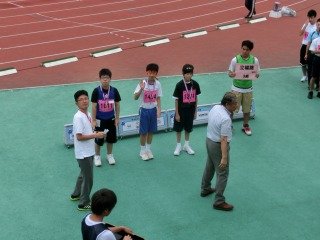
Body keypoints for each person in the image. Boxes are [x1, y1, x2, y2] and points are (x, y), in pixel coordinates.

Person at [200, 92, 238, 211]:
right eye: (234, 103)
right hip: (217, 145)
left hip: (209, 140)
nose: (236, 105)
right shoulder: (226, 119)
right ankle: (219, 201)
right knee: (222, 173)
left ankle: (205, 188)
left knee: (210, 165)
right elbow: (223, 140)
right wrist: (224, 157)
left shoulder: (216, 107)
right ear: (227, 104)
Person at [70, 90, 105, 211]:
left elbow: (88, 131)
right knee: (88, 178)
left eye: (86, 98)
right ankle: (84, 202)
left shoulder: (88, 114)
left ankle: (75, 194)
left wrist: (96, 133)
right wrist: (96, 136)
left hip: (88, 151)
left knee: (83, 174)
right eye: (81, 99)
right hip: (83, 153)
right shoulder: (78, 117)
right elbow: (79, 137)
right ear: (76, 103)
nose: (84, 101)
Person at [228, 40, 260, 136]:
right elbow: (229, 73)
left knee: (247, 110)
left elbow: (258, 73)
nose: (244, 51)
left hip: (248, 89)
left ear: (250, 50)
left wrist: (256, 74)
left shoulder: (255, 60)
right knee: (232, 109)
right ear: (241, 48)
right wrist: (232, 74)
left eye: (247, 50)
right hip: (236, 89)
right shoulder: (235, 60)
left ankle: (245, 125)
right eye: (243, 49)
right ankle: (229, 125)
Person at [91, 69, 121, 166]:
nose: (105, 80)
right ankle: (97, 156)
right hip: (100, 120)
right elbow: (94, 106)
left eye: (107, 78)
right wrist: (94, 120)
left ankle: (109, 155)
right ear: (100, 79)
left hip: (111, 119)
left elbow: (117, 105)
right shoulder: (96, 91)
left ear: (110, 79)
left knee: (110, 139)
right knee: (99, 139)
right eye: (103, 78)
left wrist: (117, 118)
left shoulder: (114, 91)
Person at [134, 63, 162, 161]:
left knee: (151, 131)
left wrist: (159, 109)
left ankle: (148, 150)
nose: (151, 74)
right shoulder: (142, 83)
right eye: (150, 72)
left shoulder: (158, 84)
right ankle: (142, 151)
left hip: (153, 110)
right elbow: (135, 97)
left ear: (156, 73)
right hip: (144, 110)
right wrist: (141, 89)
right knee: (143, 132)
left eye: (154, 72)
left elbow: (158, 98)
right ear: (147, 72)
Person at [172, 64, 201, 156]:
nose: (188, 75)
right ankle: (178, 145)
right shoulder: (179, 85)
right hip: (181, 111)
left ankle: (186, 145)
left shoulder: (195, 84)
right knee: (178, 129)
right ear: (183, 74)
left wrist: (195, 112)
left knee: (188, 128)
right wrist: (177, 114)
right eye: (186, 74)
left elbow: (196, 98)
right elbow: (176, 100)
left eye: (190, 73)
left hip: (190, 110)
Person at [299, 10, 317, 83]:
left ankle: (312, 77)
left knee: (311, 63)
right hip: (304, 45)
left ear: (314, 17)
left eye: (311, 18)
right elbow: (300, 33)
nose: (310, 19)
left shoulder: (316, 27)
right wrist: (305, 25)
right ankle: (304, 76)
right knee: (303, 62)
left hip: (311, 47)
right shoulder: (306, 24)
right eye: (309, 18)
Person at [306, 18, 320, 99]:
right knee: (313, 76)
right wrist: (318, 52)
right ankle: (310, 91)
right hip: (316, 59)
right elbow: (312, 51)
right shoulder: (316, 40)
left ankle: (319, 92)